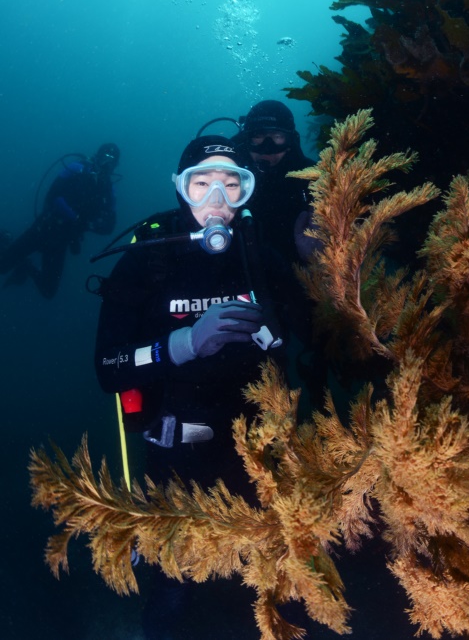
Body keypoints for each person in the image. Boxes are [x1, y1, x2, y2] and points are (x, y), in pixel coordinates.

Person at [93, 135, 288, 639]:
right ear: (180, 189)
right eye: (201, 184)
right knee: (174, 588)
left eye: (232, 185)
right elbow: (108, 368)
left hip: (256, 452)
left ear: (248, 190)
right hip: (173, 457)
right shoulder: (146, 261)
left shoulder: (259, 257)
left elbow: (313, 337)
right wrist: (180, 345)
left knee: (264, 584)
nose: (216, 201)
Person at [0, 143, 120, 299]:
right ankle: (5, 239)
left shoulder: (109, 190)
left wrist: (87, 225)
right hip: (44, 228)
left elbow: (109, 226)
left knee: (48, 291)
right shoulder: (77, 169)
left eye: (112, 162)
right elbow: (52, 196)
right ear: (97, 157)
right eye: (105, 158)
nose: (107, 165)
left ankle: (26, 265)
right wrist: (75, 218)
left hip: (63, 239)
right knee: (2, 266)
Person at [233, 99, 317, 265]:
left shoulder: (312, 177)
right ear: (246, 139)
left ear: (290, 141)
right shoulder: (230, 174)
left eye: (277, 137)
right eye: (258, 136)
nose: (267, 147)